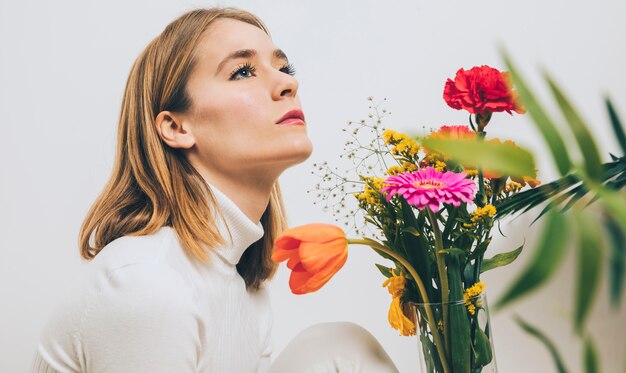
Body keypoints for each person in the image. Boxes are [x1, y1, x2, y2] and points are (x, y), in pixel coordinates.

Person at [30, 7, 399, 373]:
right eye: (242, 72)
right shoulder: (146, 282)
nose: (288, 84)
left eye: (284, 68)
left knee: (340, 345)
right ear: (176, 127)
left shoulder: (243, 289)